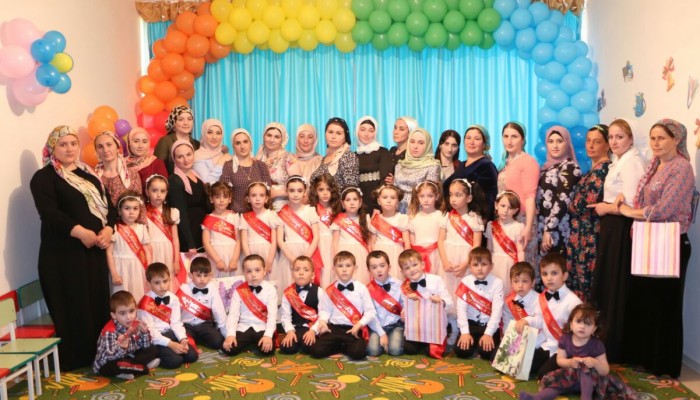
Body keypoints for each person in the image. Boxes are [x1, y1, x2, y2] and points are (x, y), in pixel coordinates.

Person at [31, 125, 116, 370]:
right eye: (63, 144)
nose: (69, 149)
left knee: (96, 302)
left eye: (73, 143)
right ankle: (77, 359)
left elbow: (109, 207)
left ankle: (100, 353)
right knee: (74, 304)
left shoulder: (88, 174)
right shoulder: (44, 178)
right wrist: (80, 233)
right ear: (52, 148)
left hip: (93, 252)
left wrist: (108, 229)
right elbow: (50, 214)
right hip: (64, 256)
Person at [618, 119, 695, 378]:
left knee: (664, 305)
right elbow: (645, 203)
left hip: (670, 243)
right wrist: (627, 205)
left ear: (676, 140)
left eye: (662, 138)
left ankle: (663, 364)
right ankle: (643, 358)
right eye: (653, 138)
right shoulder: (654, 167)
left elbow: (664, 209)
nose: (656, 143)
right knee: (643, 301)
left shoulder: (682, 168)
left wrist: (629, 212)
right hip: (648, 241)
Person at [588, 118, 647, 363]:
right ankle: (606, 340)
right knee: (609, 283)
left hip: (621, 227)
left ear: (631, 139)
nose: (613, 141)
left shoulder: (632, 162)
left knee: (616, 284)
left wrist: (606, 207)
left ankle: (615, 344)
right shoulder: (619, 161)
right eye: (611, 137)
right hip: (612, 226)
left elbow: (631, 203)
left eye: (619, 137)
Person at [519, 303, 637, 400]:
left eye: (588, 324)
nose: (582, 326)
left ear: (594, 329)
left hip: (592, 382)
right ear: (571, 324)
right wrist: (570, 362)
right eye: (578, 321)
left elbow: (605, 370)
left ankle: (586, 398)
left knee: (585, 369)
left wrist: (595, 363)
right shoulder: (565, 339)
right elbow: (560, 360)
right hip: (570, 378)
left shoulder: (597, 344)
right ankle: (537, 398)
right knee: (555, 386)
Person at [516, 253, 582, 379]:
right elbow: (539, 320)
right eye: (545, 274)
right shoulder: (542, 297)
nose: (549, 278)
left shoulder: (573, 302)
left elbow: (580, 331)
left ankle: (573, 372)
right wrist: (526, 321)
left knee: (543, 375)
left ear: (565, 275)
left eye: (554, 273)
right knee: (522, 367)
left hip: (565, 350)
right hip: (547, 345)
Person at [566, 125, 611, 301]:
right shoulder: (592, 171)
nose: (590, 145)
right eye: (588, 141)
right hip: (580, 234)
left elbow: (583, 204)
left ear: (607, 145)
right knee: (578, 281)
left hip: (590, 234)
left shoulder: (603, 170)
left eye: (597, 141)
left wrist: (571, 205)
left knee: (587, 280)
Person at [310, 251, 376, 361]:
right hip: (334, 329)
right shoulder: (330, 289)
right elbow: (325, 310)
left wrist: (359, 325)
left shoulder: (361, 288)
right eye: (340, 266)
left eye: (348, 266)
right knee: (315, 351)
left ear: (355, 268)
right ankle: (342, 346)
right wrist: (323, 322)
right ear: (334, 269)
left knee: (359, 354)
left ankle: (342, 346)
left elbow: (370, 312)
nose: (344, 269)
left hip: (353, 328)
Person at [138, 262, 198, 368]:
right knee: (175, 361)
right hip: (156, 338)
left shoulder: (173, 298)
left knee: (192, 356)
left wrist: (182, 339)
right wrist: (171, 344)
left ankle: (168, 353)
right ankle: (154, 357)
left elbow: (176, 322)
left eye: (165, 281)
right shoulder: (145, 303)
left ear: (170, 280)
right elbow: (150, 331)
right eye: (157, 283)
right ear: (148, 284)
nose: (162, 286)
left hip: (171, 333)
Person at [536, 126, 581, 261]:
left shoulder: (569, 167)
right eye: (550, 141)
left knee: (556, 268)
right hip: (543, 228)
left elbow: (563, 200)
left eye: (559, 141)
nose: (555, 146)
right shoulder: (546, 167)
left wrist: (549, 229)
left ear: (567, 143)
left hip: (559, 229)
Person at [398, 249, 453, 358]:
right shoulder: (404, 287)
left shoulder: (436, 280)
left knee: (432, 352)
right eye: (407, 268)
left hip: (434, 327)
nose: (412, 269)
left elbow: (450, 303)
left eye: (414, 265)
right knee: (409, 349)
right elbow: (405, 309)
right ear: (403, 272)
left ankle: (438, 339)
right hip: (417, 329)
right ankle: (424, 343)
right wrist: (404, 315)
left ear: (423, 265)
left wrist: (441, 302)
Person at [498, 122, 539, 263]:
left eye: (514, 136)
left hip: (522, 220)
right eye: (506, 136)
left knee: (522, 265)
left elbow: (530, 196)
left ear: (523, 139)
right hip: (505, 219)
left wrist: (528, 227)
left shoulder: (528, 161)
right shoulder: (505, 162)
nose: (509, 141)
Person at [93, 291, 159, 379]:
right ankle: (144, 368)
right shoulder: (109, 332)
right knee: (120, 364)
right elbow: (110, 357)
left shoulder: (136, 323)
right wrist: (122, 347)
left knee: (152, 349)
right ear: (114, 315)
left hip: (128, 357)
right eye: (122, 313)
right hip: (108, 363)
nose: (129, 317)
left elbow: (145, 346)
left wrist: (144, 333)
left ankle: (132, 368)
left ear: (136, 309)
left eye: (131, 311)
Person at [222, 255, 278, 356]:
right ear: (244, 273)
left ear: (264, 271)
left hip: (262, 327)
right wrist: (230, 335)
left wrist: (268, 335)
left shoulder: (270, 289)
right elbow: (233, 314)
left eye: (257, 270)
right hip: (244, 327)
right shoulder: (239, 290)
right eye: (249, 271)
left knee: (268, 350)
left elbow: (272, 315)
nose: (253, 275)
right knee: (229, 349)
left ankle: (252, 343)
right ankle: (250, 343)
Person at [455, 247, 504, 360]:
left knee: (488, 353)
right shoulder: (465, 282)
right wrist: (464, 332)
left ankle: (479, 345)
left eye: (484, 264)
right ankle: (474, 344)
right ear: (470, 267)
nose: (480, 268)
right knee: (462, 351)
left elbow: (497, 311)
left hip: (488, 325)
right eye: (475, 265)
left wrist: (488, 334)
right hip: (471, 325)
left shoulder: (498, 283)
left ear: (491, 266)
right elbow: (461, 309)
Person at [277, 176, 321, 298]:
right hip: (288, 255)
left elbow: (316, 237)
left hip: (308, 252)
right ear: (286, 191)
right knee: (289, 285)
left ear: (305, 192)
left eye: (299, 191)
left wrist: (307, 257)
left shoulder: (310, 211)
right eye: (292, 191)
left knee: (308, 286)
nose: (296, 194)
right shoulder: (282, 213)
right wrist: (292, 259)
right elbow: (280, 240)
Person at [443, 125, 499, 221]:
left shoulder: (487, 165)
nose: (471, 142)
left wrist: (484, 220)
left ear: (484, 144)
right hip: (455, 218)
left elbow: (492, 196)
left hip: (474, 221)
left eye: (477, 139)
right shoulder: (462, 165)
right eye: (468, 138)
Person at [107, 191, 152, 301]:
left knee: (138, 295)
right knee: (121, 298)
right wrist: (114, 274)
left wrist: (149, 270)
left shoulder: (142, 228)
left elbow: (147, 251)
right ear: (119, 211)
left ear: (140, 210)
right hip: (120, 269)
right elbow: (109, 252)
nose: (131, 212)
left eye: (135, 208)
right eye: (127, 208)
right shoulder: (115, 228)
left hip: (138, 268)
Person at [168, 140, 209, 255]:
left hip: (201, 231)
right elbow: (181, 214)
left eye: (188, 154)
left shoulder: (196, 175)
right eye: (180, 157)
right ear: (174, 159)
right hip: (190, 236)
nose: (186, 159)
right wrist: (190, 243)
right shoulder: (175, 180)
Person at [279, 256, 327, 355]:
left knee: (309, 347)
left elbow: (323, 315)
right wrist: (289, 331)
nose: (301, 273)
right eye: (297, 270)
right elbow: (285, 316)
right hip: (295, 327)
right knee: (286, 348)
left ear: (313, 275)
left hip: (311, 327)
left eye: (306, 270)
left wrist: (313, 331)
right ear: (292, 273)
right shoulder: (288, 292)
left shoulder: (319, 291)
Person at [177, 257, 227, 351]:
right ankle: (197, 340)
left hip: (204, 325)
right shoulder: (184, 289)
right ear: (190, 275)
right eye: (198, 275)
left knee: (218, 342)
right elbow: (176, 312)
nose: (202, 279)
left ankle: (199, 339)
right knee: (185, 346)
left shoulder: (212, 288)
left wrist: (226, 334)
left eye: (206, 275)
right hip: (187, 326)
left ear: (210, 275)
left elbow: (218, 310)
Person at [220, 128, 272, 213]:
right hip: (236, 215)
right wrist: (239, 213)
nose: (242, 146)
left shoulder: (261, 165)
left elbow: (268, 192)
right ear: (233, 146)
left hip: (259, 214)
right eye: (238, 143)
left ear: (251, 144)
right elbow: (225, 193)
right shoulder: (228, 166)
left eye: (245, 142)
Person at [144, 175, 182, 291]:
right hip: (151, 251)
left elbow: (175, 239)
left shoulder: (172, 212)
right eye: (154, 190)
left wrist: (176, 260)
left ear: (166, 193)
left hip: (167, 251)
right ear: (147, 192)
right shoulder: (143, 212)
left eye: (162, 191)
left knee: (166, 278)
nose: (158, 195)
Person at [485, 191, 526, 295]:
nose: (505, 210)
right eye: (503, 206)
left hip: (510, 264)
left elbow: (520, 251)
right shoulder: (491, 225)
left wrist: (521, 268)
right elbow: (489, 249)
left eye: (510, 208)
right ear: (496, 205)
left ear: (515, 210)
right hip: (494, 264)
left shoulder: (518, 227)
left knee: (508, 291)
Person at [368, 184, 410, 281]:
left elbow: (407, 242)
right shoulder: (375, 220)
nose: (389, 200)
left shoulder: (402, 218)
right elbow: (372, 242)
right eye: (385, 197)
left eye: (393, 198)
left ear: (397, 202)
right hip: (380, 253)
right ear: (379, 201)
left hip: (397, 253)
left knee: (397, 278)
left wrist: (406, 259)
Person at [366, 250, 405, 356]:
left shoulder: (399, 284)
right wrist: (382, 334)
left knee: (395, 350)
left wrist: (405, 311)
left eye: (382, 266)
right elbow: (370, 315)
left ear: (389, 267)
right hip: (376, 326)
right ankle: (384, 341)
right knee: (372, 351)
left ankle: (394, 341)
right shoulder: (368, 289)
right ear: (369, 271)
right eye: (374, 267)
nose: (379, 270)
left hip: (396, 325)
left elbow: (405, 304)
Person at [256, 122, 301, 211]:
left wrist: (276, 193)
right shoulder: (258, 158)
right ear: (264, 136)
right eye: (269, 135)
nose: (272, 140)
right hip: (260, 207)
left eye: (276, 137)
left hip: (284, 208)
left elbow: (299, 186)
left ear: (282, 140)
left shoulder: (288, 158)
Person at [394, 128, 441, 213]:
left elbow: (430, 194)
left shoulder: (433, 166)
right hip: (397, 210)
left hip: (420, 211)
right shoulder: (400, 165)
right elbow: (395, 190)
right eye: (412, 142)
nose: (415, 146)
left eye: (421, 143)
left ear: (427, 145)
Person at [332, 187, 371, 284]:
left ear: (360, 202)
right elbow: (335, 242)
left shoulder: (366, 218)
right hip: (344, 253)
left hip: (362, 253)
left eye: (355, 199)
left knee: (361, 279)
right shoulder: (339, 219)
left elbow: (369, 241)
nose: (352, 203)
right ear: (342, 203)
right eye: (348, 200)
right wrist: (337, 259)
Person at [240, 182, 279, 280]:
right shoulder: (244, 217)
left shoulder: (272, 215)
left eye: (261, 195)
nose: (257, 199)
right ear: (248, 199)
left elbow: (274, 241)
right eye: (254, 195)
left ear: (266, 199)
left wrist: (270, 261)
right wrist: (249, 260)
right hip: (251, 252)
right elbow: (244, 241)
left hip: (269, 253)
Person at [94, 131, 143, 207]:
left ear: (117, 148)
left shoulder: (132, 175)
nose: (105, 150)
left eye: (109, 145)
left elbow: (140, 205)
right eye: (100, 146)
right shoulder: (94, 177)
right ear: (97, 151)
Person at [310, 173, 342, 288]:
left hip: (335, 244)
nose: (325, 193)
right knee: (321, 272)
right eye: (321, 189)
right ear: (315, 191)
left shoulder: (338, 209)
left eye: (328, 189)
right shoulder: (311, 209)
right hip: (318, 245)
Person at [201, 182, 240, 278]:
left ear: (230, 199)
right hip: (215, 257)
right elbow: (206, 243)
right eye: (217, 197)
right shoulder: (208, 219)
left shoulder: (235, 217)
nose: (221, 200)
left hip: (233, 255)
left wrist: (234, 260)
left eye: (225, 197)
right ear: (211, 199)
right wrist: (217, 261)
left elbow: (239, 240)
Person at [310, 117, 359, 191]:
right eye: (330, 132)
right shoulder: (323, 159)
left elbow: (351, 190)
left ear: (345, 137)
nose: (333, 137)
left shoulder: (348, 157)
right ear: (325, 134)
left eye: (338, 133)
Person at [355, 116, 393, 211]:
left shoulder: (383, 152)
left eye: (371, 131)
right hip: (358, 203)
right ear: (357, 132)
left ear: (375, 133)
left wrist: (377, 205)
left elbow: (385, 180)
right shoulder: (354, 155)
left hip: (378, 202)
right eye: (362, 130)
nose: (366, 134)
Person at [408, 181, 445, 275]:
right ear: (417, 197)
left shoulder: (441, 216)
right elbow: (412, 239)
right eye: (422, 196)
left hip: (437, 254)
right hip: (419, 256)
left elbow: (443, 238)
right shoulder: (414, 217)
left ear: (437, 196)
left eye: (430, 196)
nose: (426, 200)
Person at [154, 106, 200, 174]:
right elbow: (157, 169)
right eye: (181, 119)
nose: (186, 123)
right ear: (174, 123)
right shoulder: (165, 141)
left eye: (189, 119)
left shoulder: (197, 144)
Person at [126, 127, 168, 192]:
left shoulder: (156, 163)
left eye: (144, 142)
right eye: (136, 141)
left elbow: (164, 190)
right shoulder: (123, 165)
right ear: (129, 143)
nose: (140, 146)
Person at [193, 119, 231, 184]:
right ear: (204, 134)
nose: (214, 137)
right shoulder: (197, 155)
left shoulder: (222, 153)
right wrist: (222, 161)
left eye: (218, 133)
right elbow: (208, 183)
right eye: (210, 132)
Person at [502, 262, 538, 329]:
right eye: (516, 281)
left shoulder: (539, 300)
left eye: (524, 281)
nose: (520, 286)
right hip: (515, 334)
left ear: (533, 282)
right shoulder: (509, 301)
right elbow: (507, 322)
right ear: (511, 283)